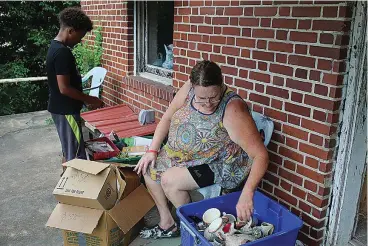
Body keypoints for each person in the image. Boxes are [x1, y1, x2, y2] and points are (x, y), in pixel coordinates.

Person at [134, 60, 269, 239]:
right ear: (193, 86)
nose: (208, 103)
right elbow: (166, 118)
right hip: (187, 156)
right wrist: (152, 150)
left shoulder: (232, 109)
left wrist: (247, 193)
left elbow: (260, 155)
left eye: (213, 97)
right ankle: (168, 223)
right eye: (201, 98)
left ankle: (196, 229)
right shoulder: (189, 88)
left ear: (221, 85)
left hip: (218, 163)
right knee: (148, 167)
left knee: (169, 181)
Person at [46, 7, 103, 166]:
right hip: (66, 111)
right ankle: (73, 188)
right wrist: (90, 99)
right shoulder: (62, 53)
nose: (80, 40)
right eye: (81, 35)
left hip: (62, 109)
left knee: (69, 150)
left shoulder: (55, 47)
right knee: (76, 156)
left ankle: (66, 186)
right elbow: (64, 88)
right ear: (71, 31)